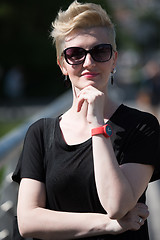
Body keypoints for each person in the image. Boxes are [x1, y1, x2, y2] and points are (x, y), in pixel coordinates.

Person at [12, 1, 160, 240]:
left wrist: (96, 123)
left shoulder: (142, 126)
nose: (88, 62)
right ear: (62, 65)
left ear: (114, 60)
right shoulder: (41, 133)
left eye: (100, 51)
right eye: (75, 54)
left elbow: (117, 205)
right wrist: (108, 225)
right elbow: (28, 221)